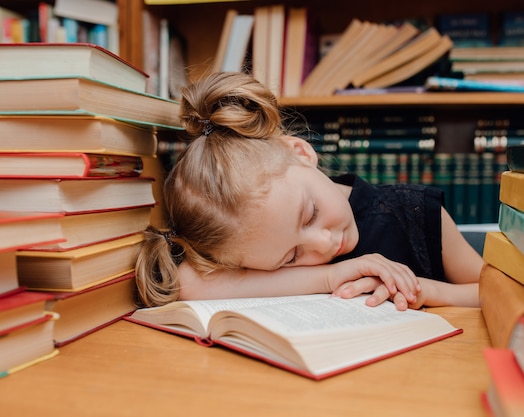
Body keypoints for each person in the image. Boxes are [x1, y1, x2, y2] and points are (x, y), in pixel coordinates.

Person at [135, 71, 485, 310]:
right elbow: (187, 284)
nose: (323, 244)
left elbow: (495, 291)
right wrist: (330, 276)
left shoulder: (415, 212)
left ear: (300, 153)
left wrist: (425, 291)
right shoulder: (260, 252)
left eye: (311, 214)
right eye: (290, 258)